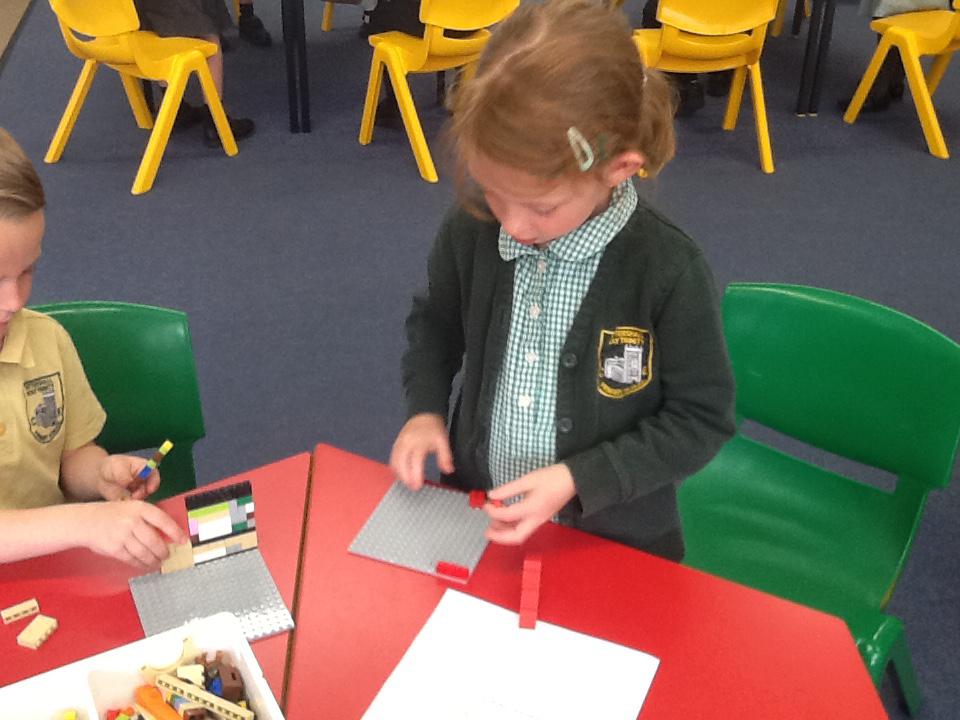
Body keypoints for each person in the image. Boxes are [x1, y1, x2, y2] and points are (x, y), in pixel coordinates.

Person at [390, 0, 735, 560]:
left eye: (541, 207)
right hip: (483, 516)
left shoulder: (667, 268)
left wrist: (580, 478)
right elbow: (435, 323)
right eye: (493, 191)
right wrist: (425, 408)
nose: (512, 224)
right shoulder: (473, 227)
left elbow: (700, 420)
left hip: (612, 543)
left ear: (619, 169)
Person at [0, 128, 186, 567]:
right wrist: (84, 523)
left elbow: (69, 455)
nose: (15, 301)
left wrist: (101, 474)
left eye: (27, 271)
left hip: (53, 570)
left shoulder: (46, 339)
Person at [133, 0, 255, 147]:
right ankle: (216, 122)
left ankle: (176, 109)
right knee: (209, 36)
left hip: (127, 29)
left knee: (159, 31)